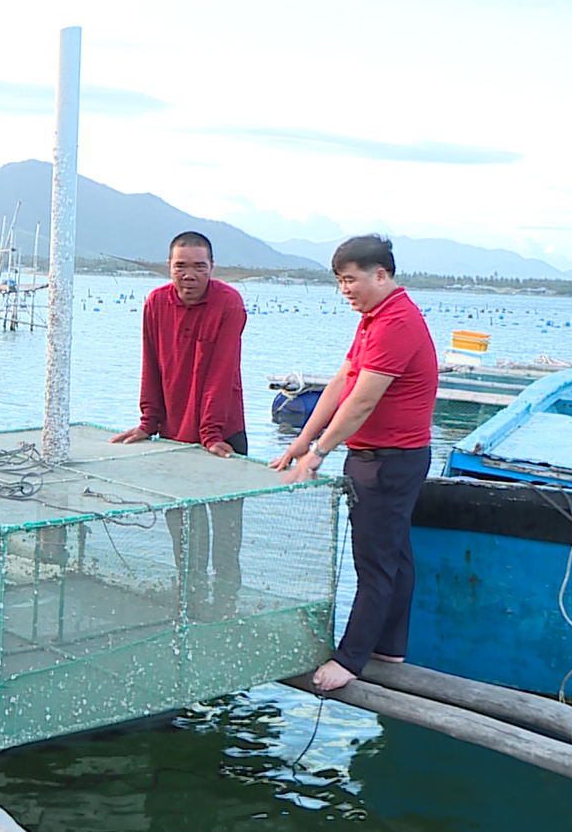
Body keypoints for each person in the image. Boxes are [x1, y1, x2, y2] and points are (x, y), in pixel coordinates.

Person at [270, 234, 437, 692]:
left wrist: (320, 454)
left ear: (380, 275)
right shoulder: (372, 318)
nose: (346, 289)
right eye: (340, 281)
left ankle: (352, 658)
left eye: (351, 280)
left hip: (389, 461)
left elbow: (362, 402)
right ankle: (389, 647)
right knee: (396, 556)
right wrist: (302, 443)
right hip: (381, 458)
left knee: (375, 564)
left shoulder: (397, 321)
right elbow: (342, 382)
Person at [109, 231, 248, 612]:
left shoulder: (228, 304)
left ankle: (225, 608)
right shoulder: (156, 304)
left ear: (212, 269)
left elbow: (222, 372)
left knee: (225, 533)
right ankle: (188, 605)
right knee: (185, 533)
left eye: (198, 267)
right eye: (180, 266)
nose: (189, 275)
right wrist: (148, 422)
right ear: (169, 267)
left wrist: (210, 434)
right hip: (172, 435)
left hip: (222, 434)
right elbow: (150, 365)